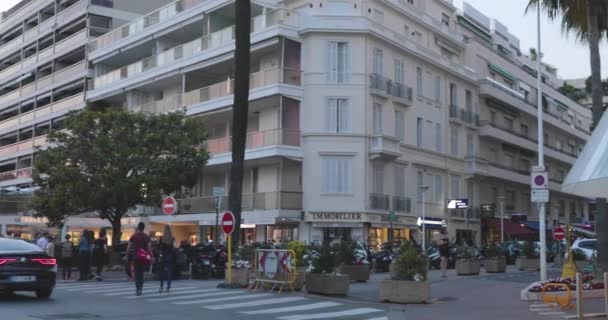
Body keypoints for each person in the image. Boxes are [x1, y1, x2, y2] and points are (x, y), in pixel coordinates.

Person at [127, 222, 153, 296]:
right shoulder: (146, 237)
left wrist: (127, 254)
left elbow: (129, 247)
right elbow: (149, 248)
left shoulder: (134, 236)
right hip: (143, 257)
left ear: (138, 227)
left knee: (137, 273)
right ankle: (140, 288)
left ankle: (137, 288)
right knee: (141, 273)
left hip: (136, 257)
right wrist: (151, 256)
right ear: (143, 228)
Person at [158, 225, 175, 293]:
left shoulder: (162, 238)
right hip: (169, 256)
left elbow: (159, 247)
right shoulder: (172, 238)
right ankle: (168, 287)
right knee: (169, 272)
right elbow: (173, 248)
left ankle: (161, 287)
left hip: (163, 256)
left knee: (161, 272)